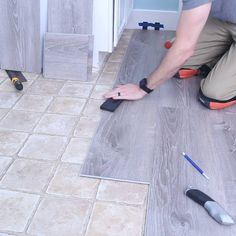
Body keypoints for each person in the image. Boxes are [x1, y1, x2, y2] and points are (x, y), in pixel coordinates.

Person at [105, 0, 236, 110]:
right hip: (224, 21)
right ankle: (226, 55)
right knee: (177, 64)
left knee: (213, 94)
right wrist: (184, 40)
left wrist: (143, 88)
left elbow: (184, 50)